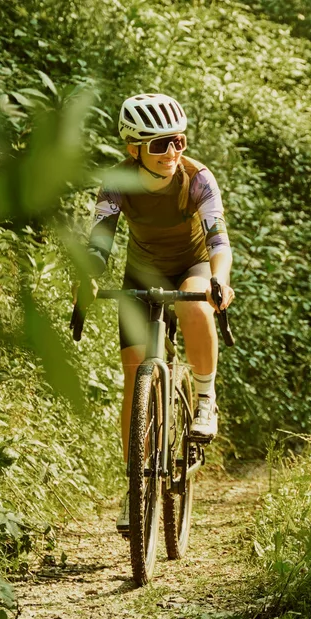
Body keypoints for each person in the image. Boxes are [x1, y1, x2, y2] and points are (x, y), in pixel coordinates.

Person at [84, 93, 235, 531]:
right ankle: (136, 484)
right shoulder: (117, 182)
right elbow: (100, 240)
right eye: (159, 145)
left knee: (195, 306)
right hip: (140, 273)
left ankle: (205, 398)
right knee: (134, 377)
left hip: (192, 267)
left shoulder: (198, 178)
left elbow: (219, 242)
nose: (172, 152)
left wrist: (219, 281)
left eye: (178, 142)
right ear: (134, 149)